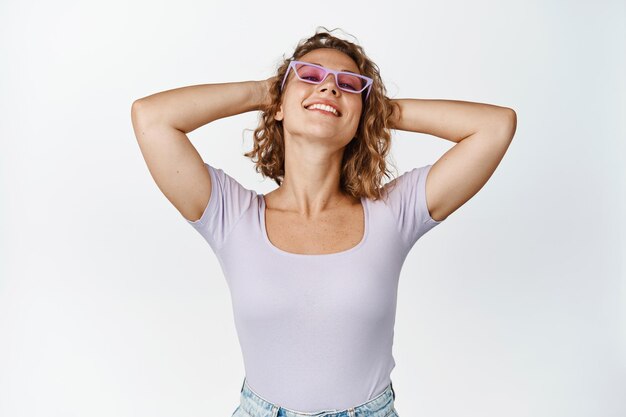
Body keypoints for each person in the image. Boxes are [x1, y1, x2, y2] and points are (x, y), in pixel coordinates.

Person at [130, 28, 516, 417]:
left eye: (348, 85)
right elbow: (152, 118)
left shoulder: (393, 212)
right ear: (280, 103)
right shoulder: (232, 215)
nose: (329, 88)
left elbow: (495, 127)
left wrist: (376, 108)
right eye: (310, 76)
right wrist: (264, 93)